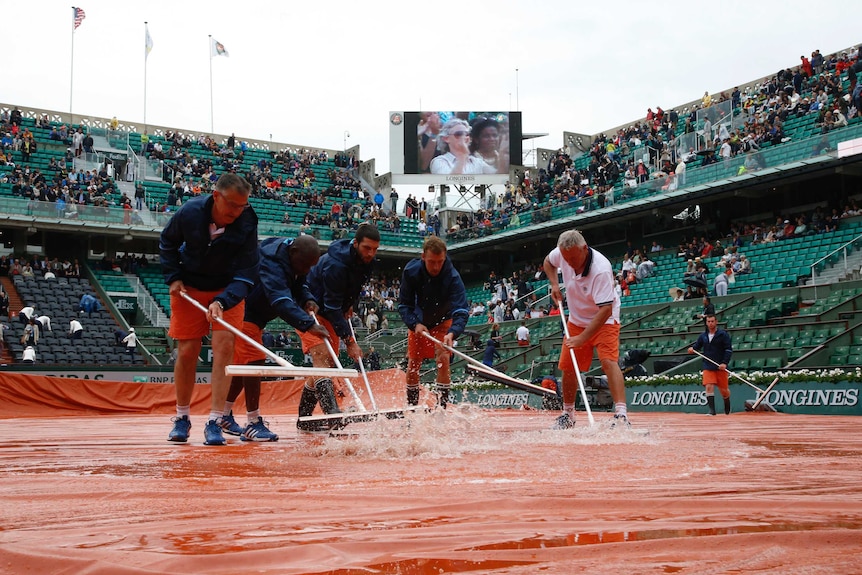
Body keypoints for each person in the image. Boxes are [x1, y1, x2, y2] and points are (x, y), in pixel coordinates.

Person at [160, 173, 259, 445]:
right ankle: (182, 417)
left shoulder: (248, 222)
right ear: (216, 196)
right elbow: (167, 243)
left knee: (225, 347)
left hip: (228, 290)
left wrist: (223, 301)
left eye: (243, 206)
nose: (238, 212)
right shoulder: (190, 212)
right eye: (233, 205)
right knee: (188, 350)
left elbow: (247, 273)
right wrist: (173, 277)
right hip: (189, 287)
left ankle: (215, 420)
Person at [219, 235, 329, 442]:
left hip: (255, 315)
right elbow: (280, 299)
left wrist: (307, 299)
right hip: (242, 310)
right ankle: (252, 422)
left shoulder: (295, 259)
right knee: (254, 361)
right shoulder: (271, 263)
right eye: (304, 265)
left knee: (244, 365)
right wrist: (308, 325)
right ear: (293, 253)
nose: (306, 270)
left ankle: (224, 415)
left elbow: (299, 283)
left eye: (310, 267)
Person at [543, 229, 629, 429]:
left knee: (608, 360)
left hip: (604, 318)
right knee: (568, 365)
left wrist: (582, 338)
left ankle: (621, 415)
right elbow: (548, 263)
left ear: (584, 249)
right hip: (576, 319)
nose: (570, 264)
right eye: (566, 259)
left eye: (573, 259)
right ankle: (568, 413)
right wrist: (555, 284)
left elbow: (606, 309)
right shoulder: (563, 254)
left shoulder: (601, 269)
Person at [300, 223, 380, 431]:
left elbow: (353, 288)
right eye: (366, 248)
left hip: (331, 311)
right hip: (309, 309)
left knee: (324, 365)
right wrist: (350, 342)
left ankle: (304, 417)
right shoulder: (337, 264)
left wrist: (349, 306)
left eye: (374, 249)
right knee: (321, 358)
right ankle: (332, 415)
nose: (371, 253)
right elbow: (331, 304)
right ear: (355, 244)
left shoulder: (367, 262)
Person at [398, 236, 469, 407]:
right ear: (423, 257)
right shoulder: (411, 271)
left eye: (440, 261)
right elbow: (404, 305)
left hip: (444, 320)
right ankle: (412, 407)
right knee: (413, 363)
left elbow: (461, 310)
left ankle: (441, 407)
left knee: (443, 359)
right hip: (419, 321)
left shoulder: (452, 276)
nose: (436, 267)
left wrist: (453, 332)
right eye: (432, 262)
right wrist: (414, 324)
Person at [688, 314, 733, 416]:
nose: (710, 323)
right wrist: (692, 349)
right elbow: (697, 346)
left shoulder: (723, 335)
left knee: (724, 391)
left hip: (720, 366)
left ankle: (727, 402)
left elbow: (728, 349)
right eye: (708, 321)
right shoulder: (703, 335)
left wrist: (724, 363)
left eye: (712, 321)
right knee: (709, 386)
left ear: (716, 322)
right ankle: (712, 411)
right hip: (708, 365)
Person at [429, 118, 497, 175]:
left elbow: (497, 176)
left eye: (467, 134)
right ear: (446, 139)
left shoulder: (476, 161)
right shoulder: (439, 161)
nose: (464, 137)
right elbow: (449, 183)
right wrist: (462, 156)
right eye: (459, 134)